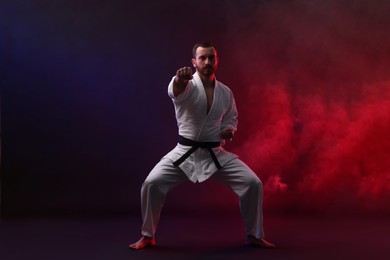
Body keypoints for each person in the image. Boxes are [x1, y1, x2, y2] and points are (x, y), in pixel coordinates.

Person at [129, 42, 275, 250]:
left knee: (253, 184)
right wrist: (179, 79)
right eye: (202, 58)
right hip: (184, 153)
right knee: (152, 184)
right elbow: (175, 91)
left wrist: (228, 130)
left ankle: (254, 234)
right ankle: (147, 235)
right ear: (194, 62)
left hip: (215, 153)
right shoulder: (186, 85)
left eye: (211, 58)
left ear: (217, 61)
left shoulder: (225, 92)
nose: (207, 62)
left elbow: (231, 118)